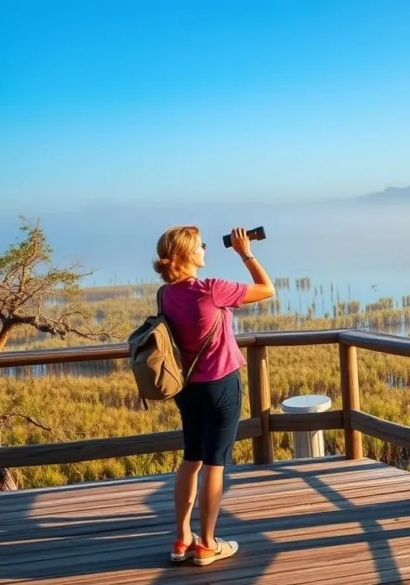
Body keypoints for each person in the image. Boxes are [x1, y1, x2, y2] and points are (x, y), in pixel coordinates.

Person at [152, 226, 276, 566]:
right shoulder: (212, 289)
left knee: (191, 459)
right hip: (221, 385)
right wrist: (245, 253)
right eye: (201, 245)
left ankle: (181, 539)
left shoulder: (165, 295)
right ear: (189, 254)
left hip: (187, 388)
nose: (206, 249)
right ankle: (207, 544)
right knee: (215, 463)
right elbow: (267, 289)